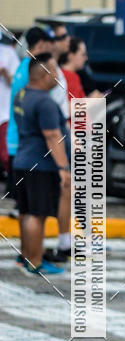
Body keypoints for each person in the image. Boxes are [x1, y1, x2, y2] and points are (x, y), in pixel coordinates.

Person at [12, 52, 70, 275]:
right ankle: (36, 261)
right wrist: (64, 168)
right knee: (38, 214)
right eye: (54, 71)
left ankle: (28, 257)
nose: (57, 76)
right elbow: (52, 136)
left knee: (27, 212)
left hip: (22, 161)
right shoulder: (45, 102)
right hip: (41, 165)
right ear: (44, 74)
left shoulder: (21, 95)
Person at [6, 27, 55, 212]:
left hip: (16, 139)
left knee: (24, 205)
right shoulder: (32, 70)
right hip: (26, 142)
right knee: (32, 208)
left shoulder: (21, 66)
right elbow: (35, 106)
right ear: (41, 44)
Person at [0, 35, 20, 178]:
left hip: (4, 112)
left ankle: (12, 181)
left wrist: (5, 72)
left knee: (5, 152)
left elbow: (16, 81)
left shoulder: (8, 53)